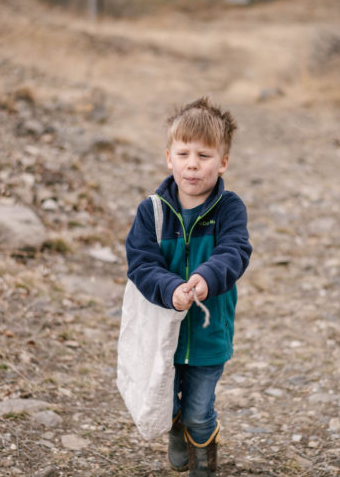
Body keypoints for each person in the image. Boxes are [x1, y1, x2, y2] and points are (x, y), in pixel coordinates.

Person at [125, 97, 252, 476]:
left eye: (204, 155)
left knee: (199, 409)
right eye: (183, 153)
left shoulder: (229, 209)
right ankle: (175, 426)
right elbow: (141, 263)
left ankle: (204, 443)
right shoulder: (153, 211)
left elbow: (235, 251)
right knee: (166, 403)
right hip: (163, 331)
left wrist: (206, 277)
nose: (193, 163)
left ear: (223, 162)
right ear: (169, 158)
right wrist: (170, 288)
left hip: (209, 334)